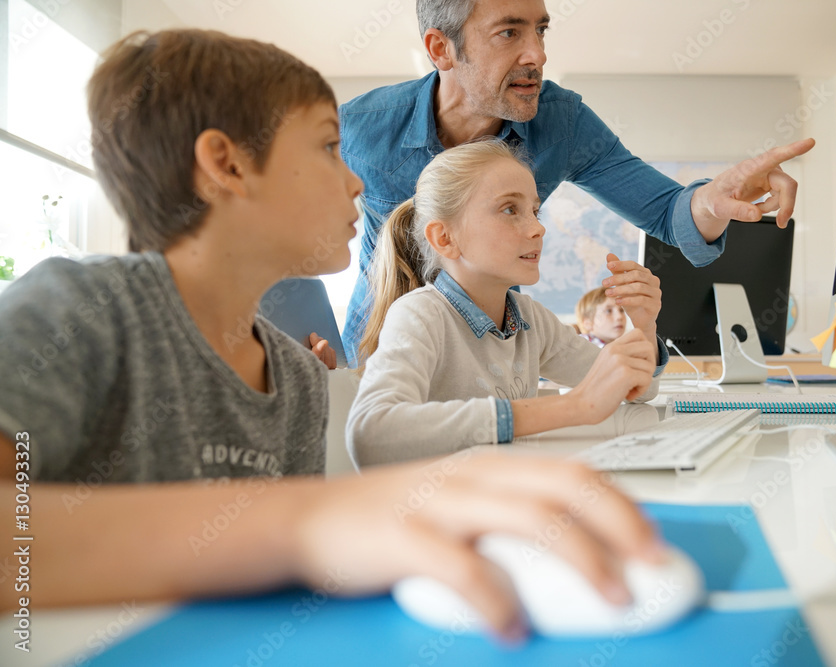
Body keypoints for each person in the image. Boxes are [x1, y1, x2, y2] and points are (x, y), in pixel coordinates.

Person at [0, 29, 672, 643]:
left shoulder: (295, 379)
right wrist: (302, 520)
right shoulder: (78, 310)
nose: (356, 180)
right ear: (227, 165)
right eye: (328, 147)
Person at [339, 0, 815, 364]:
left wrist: (714, 199)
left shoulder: (561, 122)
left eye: (541, 30)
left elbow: (667, 212)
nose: (538, 54)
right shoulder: (359, 129)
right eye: (509, 32)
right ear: (441, 49)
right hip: (374, 353)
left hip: (496, 354)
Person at [346, 139, 665, 467]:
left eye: (535, 211)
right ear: (445, 238)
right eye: (510, 209)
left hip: (507, 500)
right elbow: (372, 433)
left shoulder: (531, 319)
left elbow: (639, 390)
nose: (538, 228)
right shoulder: (421, 314)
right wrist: (575, 406)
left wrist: (644, 325)